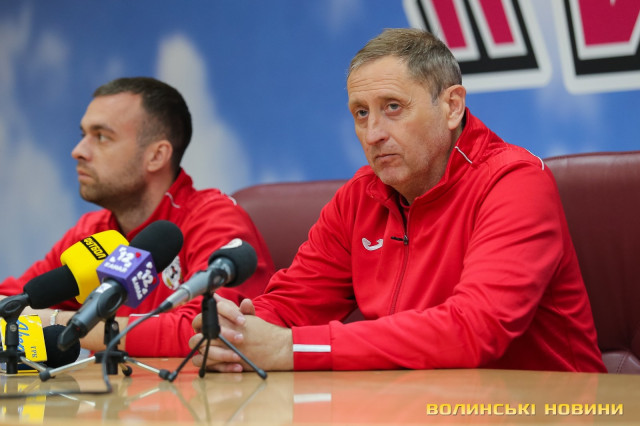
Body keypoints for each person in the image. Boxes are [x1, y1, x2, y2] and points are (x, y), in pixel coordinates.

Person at [189, 29, 606, 372]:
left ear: (452, 107)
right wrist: (236, 335)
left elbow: (473, 330)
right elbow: (290, 305)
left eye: (393, 107)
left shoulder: (513, 181)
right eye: (361, 113)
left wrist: (290, 348)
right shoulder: (359, 196)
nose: (373, 134)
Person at [0, 77, 274, 357]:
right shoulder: (93, 232)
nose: (78, 151)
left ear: (156, 156)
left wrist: (56, 321)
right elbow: (10, 302)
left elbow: (208, 332)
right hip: (111, 386)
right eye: (83, 135)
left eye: (102, 137)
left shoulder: (215, 220)